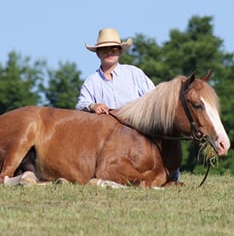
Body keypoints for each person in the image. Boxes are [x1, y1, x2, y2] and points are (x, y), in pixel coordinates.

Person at [75, 27, 179, 182]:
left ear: (120, 52)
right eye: (104, 49)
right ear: (98, 53)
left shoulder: (134, 73)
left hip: (139, 133)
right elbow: (80, 104)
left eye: (114, 48)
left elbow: (154, 98)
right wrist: (93, 106)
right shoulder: (91, 81)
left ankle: (172, 174)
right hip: (108, 138)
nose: (109, 52)